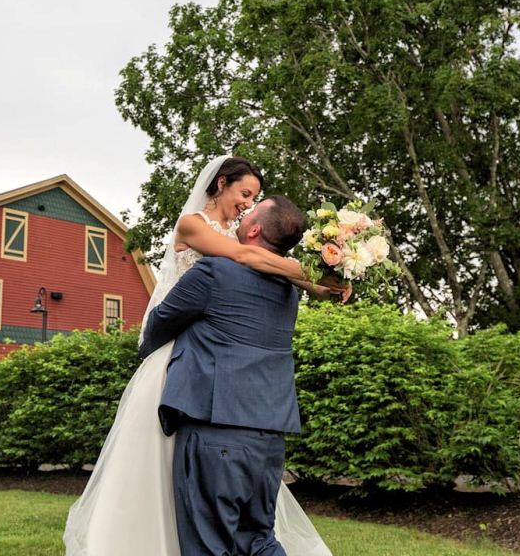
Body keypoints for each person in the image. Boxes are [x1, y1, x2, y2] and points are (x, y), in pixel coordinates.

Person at [63, 156, 335, 555]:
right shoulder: (198, 227)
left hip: (210, 391)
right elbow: (246, 258)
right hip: (240, 397)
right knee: (255, 534)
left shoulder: (237, 255)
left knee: (210, 525)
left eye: (254, 199)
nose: (246, 203)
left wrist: (318, 279)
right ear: (221, 183)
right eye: (245, 193)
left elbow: (236, 269)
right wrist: (313, 278)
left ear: (258, 227)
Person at [140, 196, 308, 555]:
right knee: (259, 539)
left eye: (252, 209)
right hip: (269, 437)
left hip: (216, 432)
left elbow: (159, 324)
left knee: (208, 545)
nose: (244, 212)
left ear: (255, 229)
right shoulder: (288, 291)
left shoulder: (215, 271)